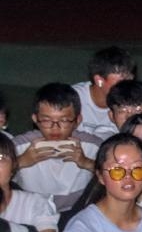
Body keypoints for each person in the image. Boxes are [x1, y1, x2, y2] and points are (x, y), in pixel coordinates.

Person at [13, 84, 100, 215]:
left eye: (64, 120)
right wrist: (20, 162)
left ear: (78, 120)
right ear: (35, 119)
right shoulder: (18, 146)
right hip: (29, 212)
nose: (55, 127)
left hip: (77, 212)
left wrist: (86, 162)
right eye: (46, 120)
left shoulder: (94, 145)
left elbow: (115, 175)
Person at [71, 47, 135, 139]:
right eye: (121, 82)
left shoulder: (134, 103)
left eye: (130, 80)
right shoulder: (72, 98)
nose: (127, 86)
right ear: (99, 80)